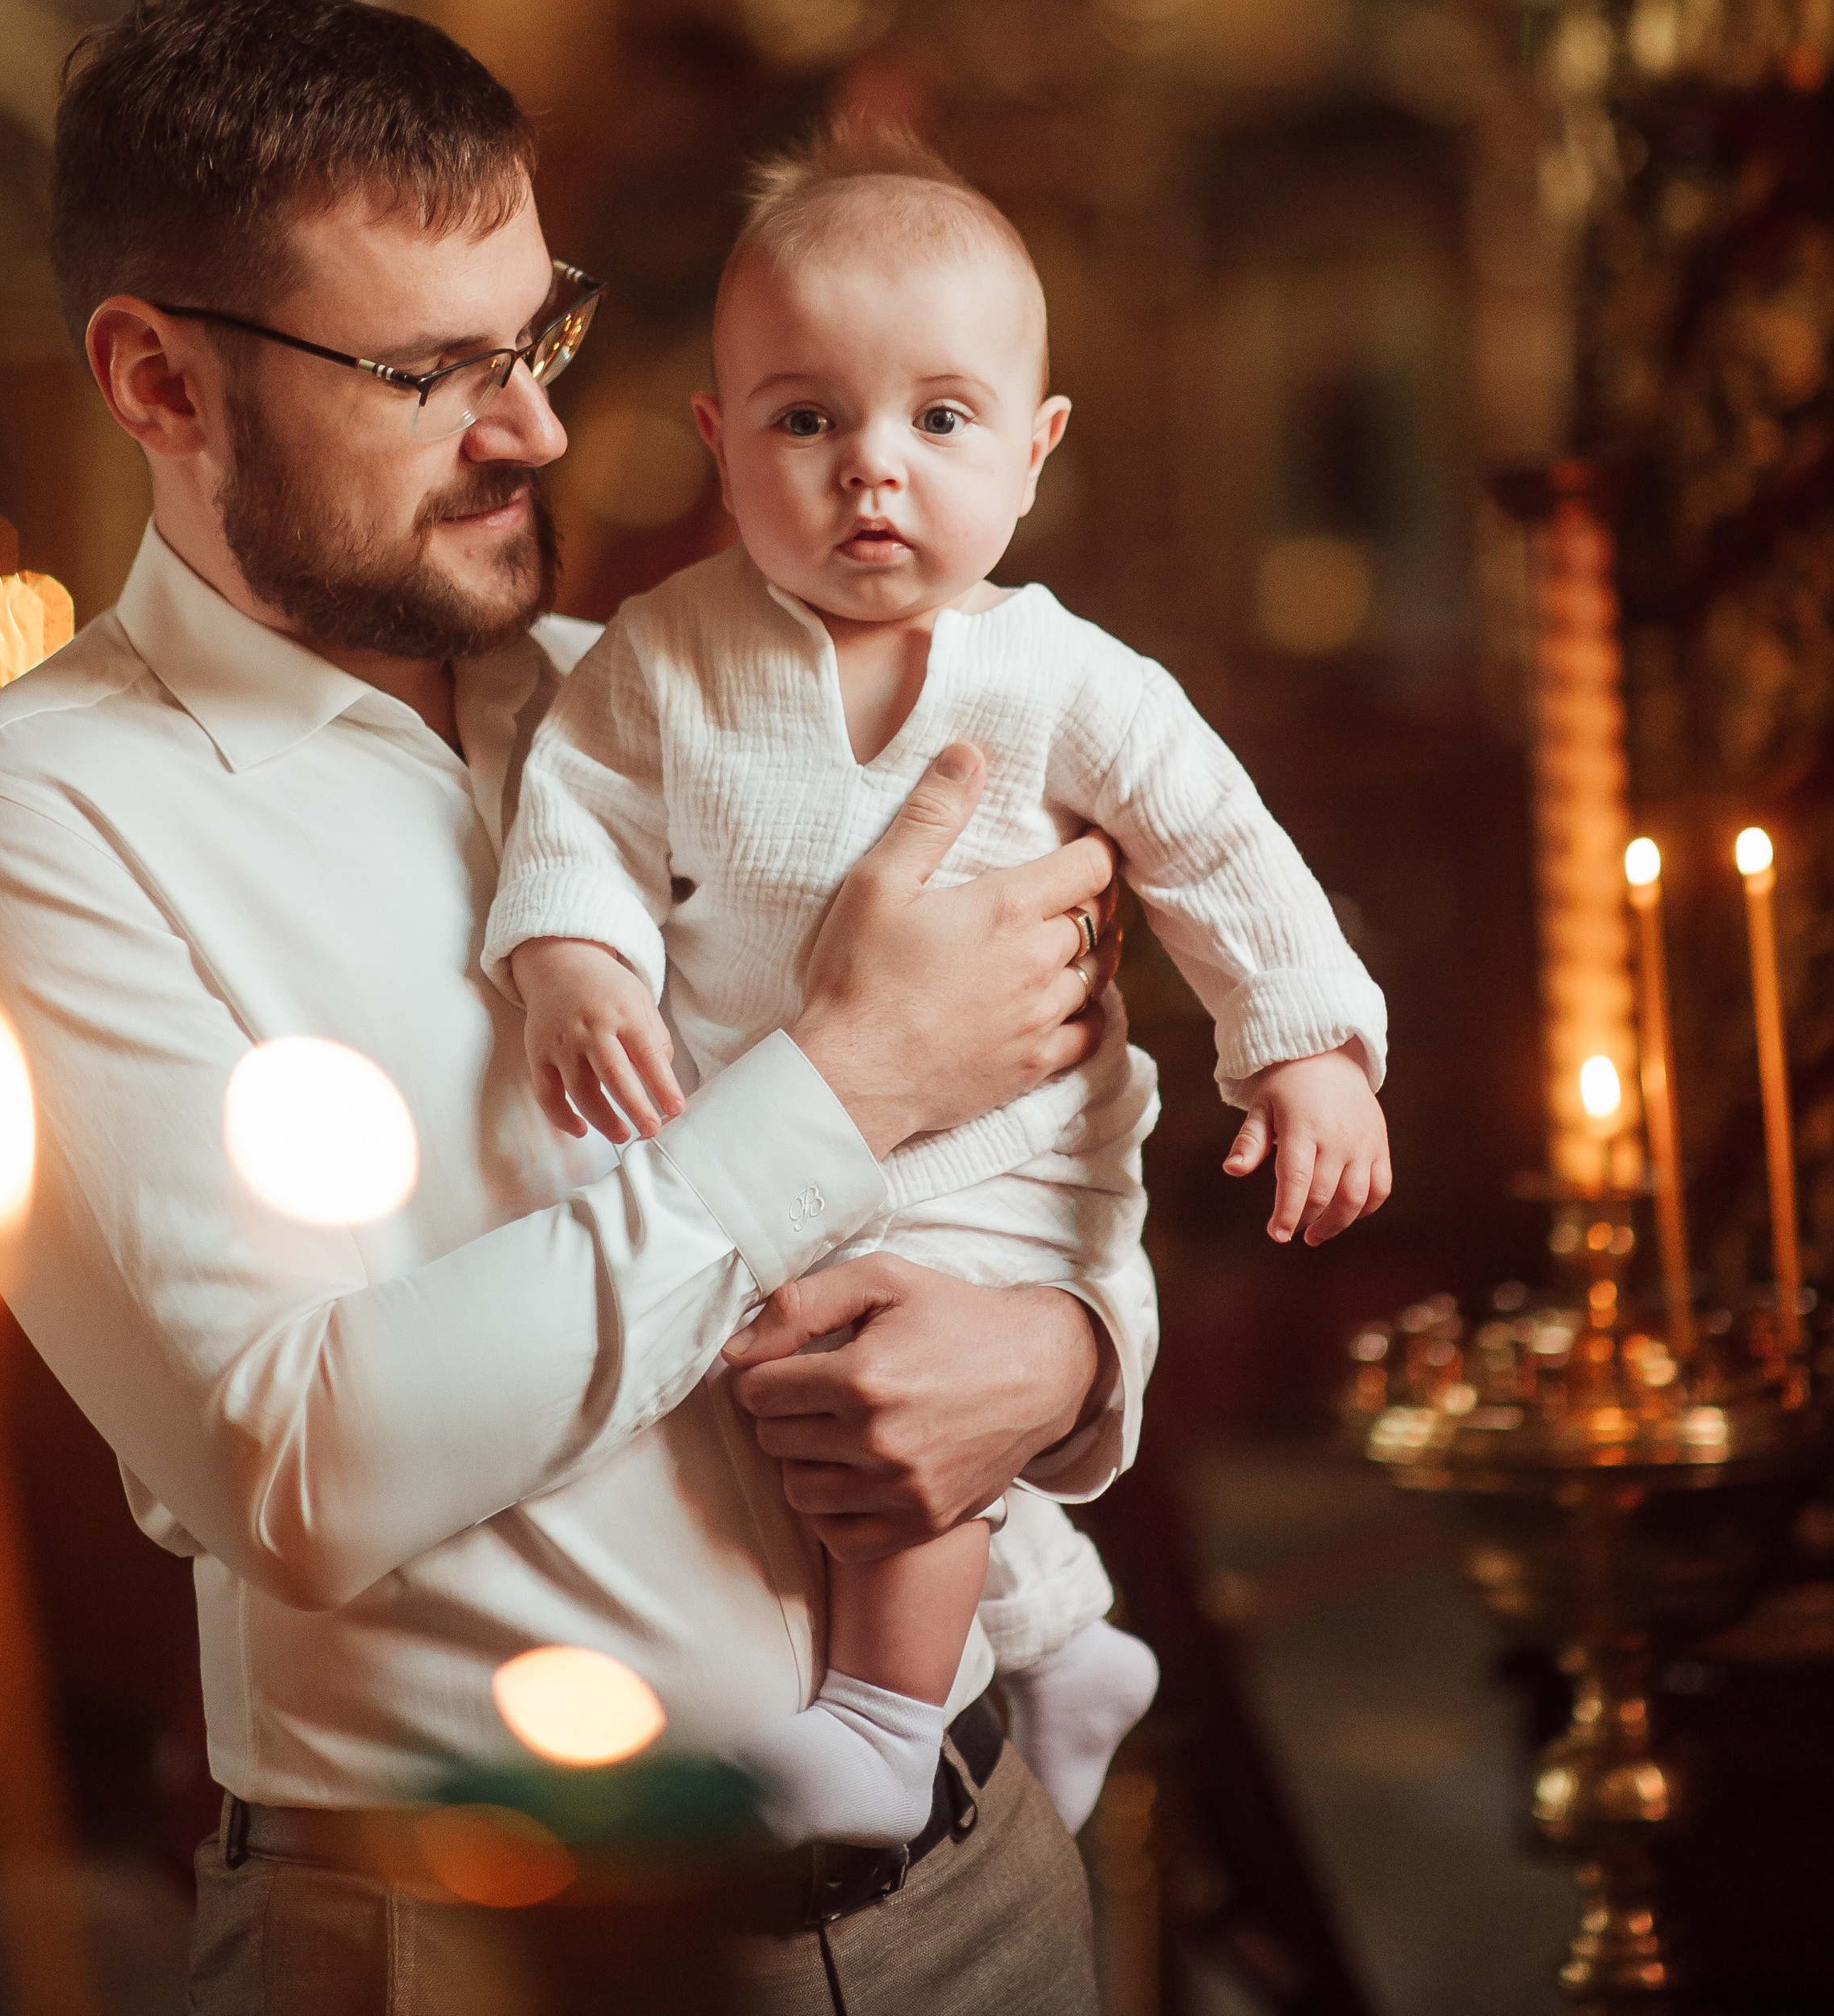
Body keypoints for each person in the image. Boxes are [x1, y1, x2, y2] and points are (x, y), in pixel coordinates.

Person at [0, 0, 1154, 2016]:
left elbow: (1047, 1125)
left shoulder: (652, 695)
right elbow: (296, 1465)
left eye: (538, 332)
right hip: (460, 1944)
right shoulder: (36, 829)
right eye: (430, 370)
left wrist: (1071, 1350)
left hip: (975, 1884)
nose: (537, 427)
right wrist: (838, 1087)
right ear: (159, 381)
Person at [489, 120, 1393, 1852]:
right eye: (806, 418)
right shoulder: (664, 652)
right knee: (776, 1387)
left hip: (1001, 1148)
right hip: (761, 1113)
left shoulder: (1066, 678)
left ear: (1035, 451)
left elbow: (1220, 854)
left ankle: (886, 1724)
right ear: (717, 438)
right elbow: (577, 820)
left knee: (885, 1381)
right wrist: (573, 965)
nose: (870, 473)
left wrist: (1308, 1051)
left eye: (940, 419)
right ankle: (1065, 1649)